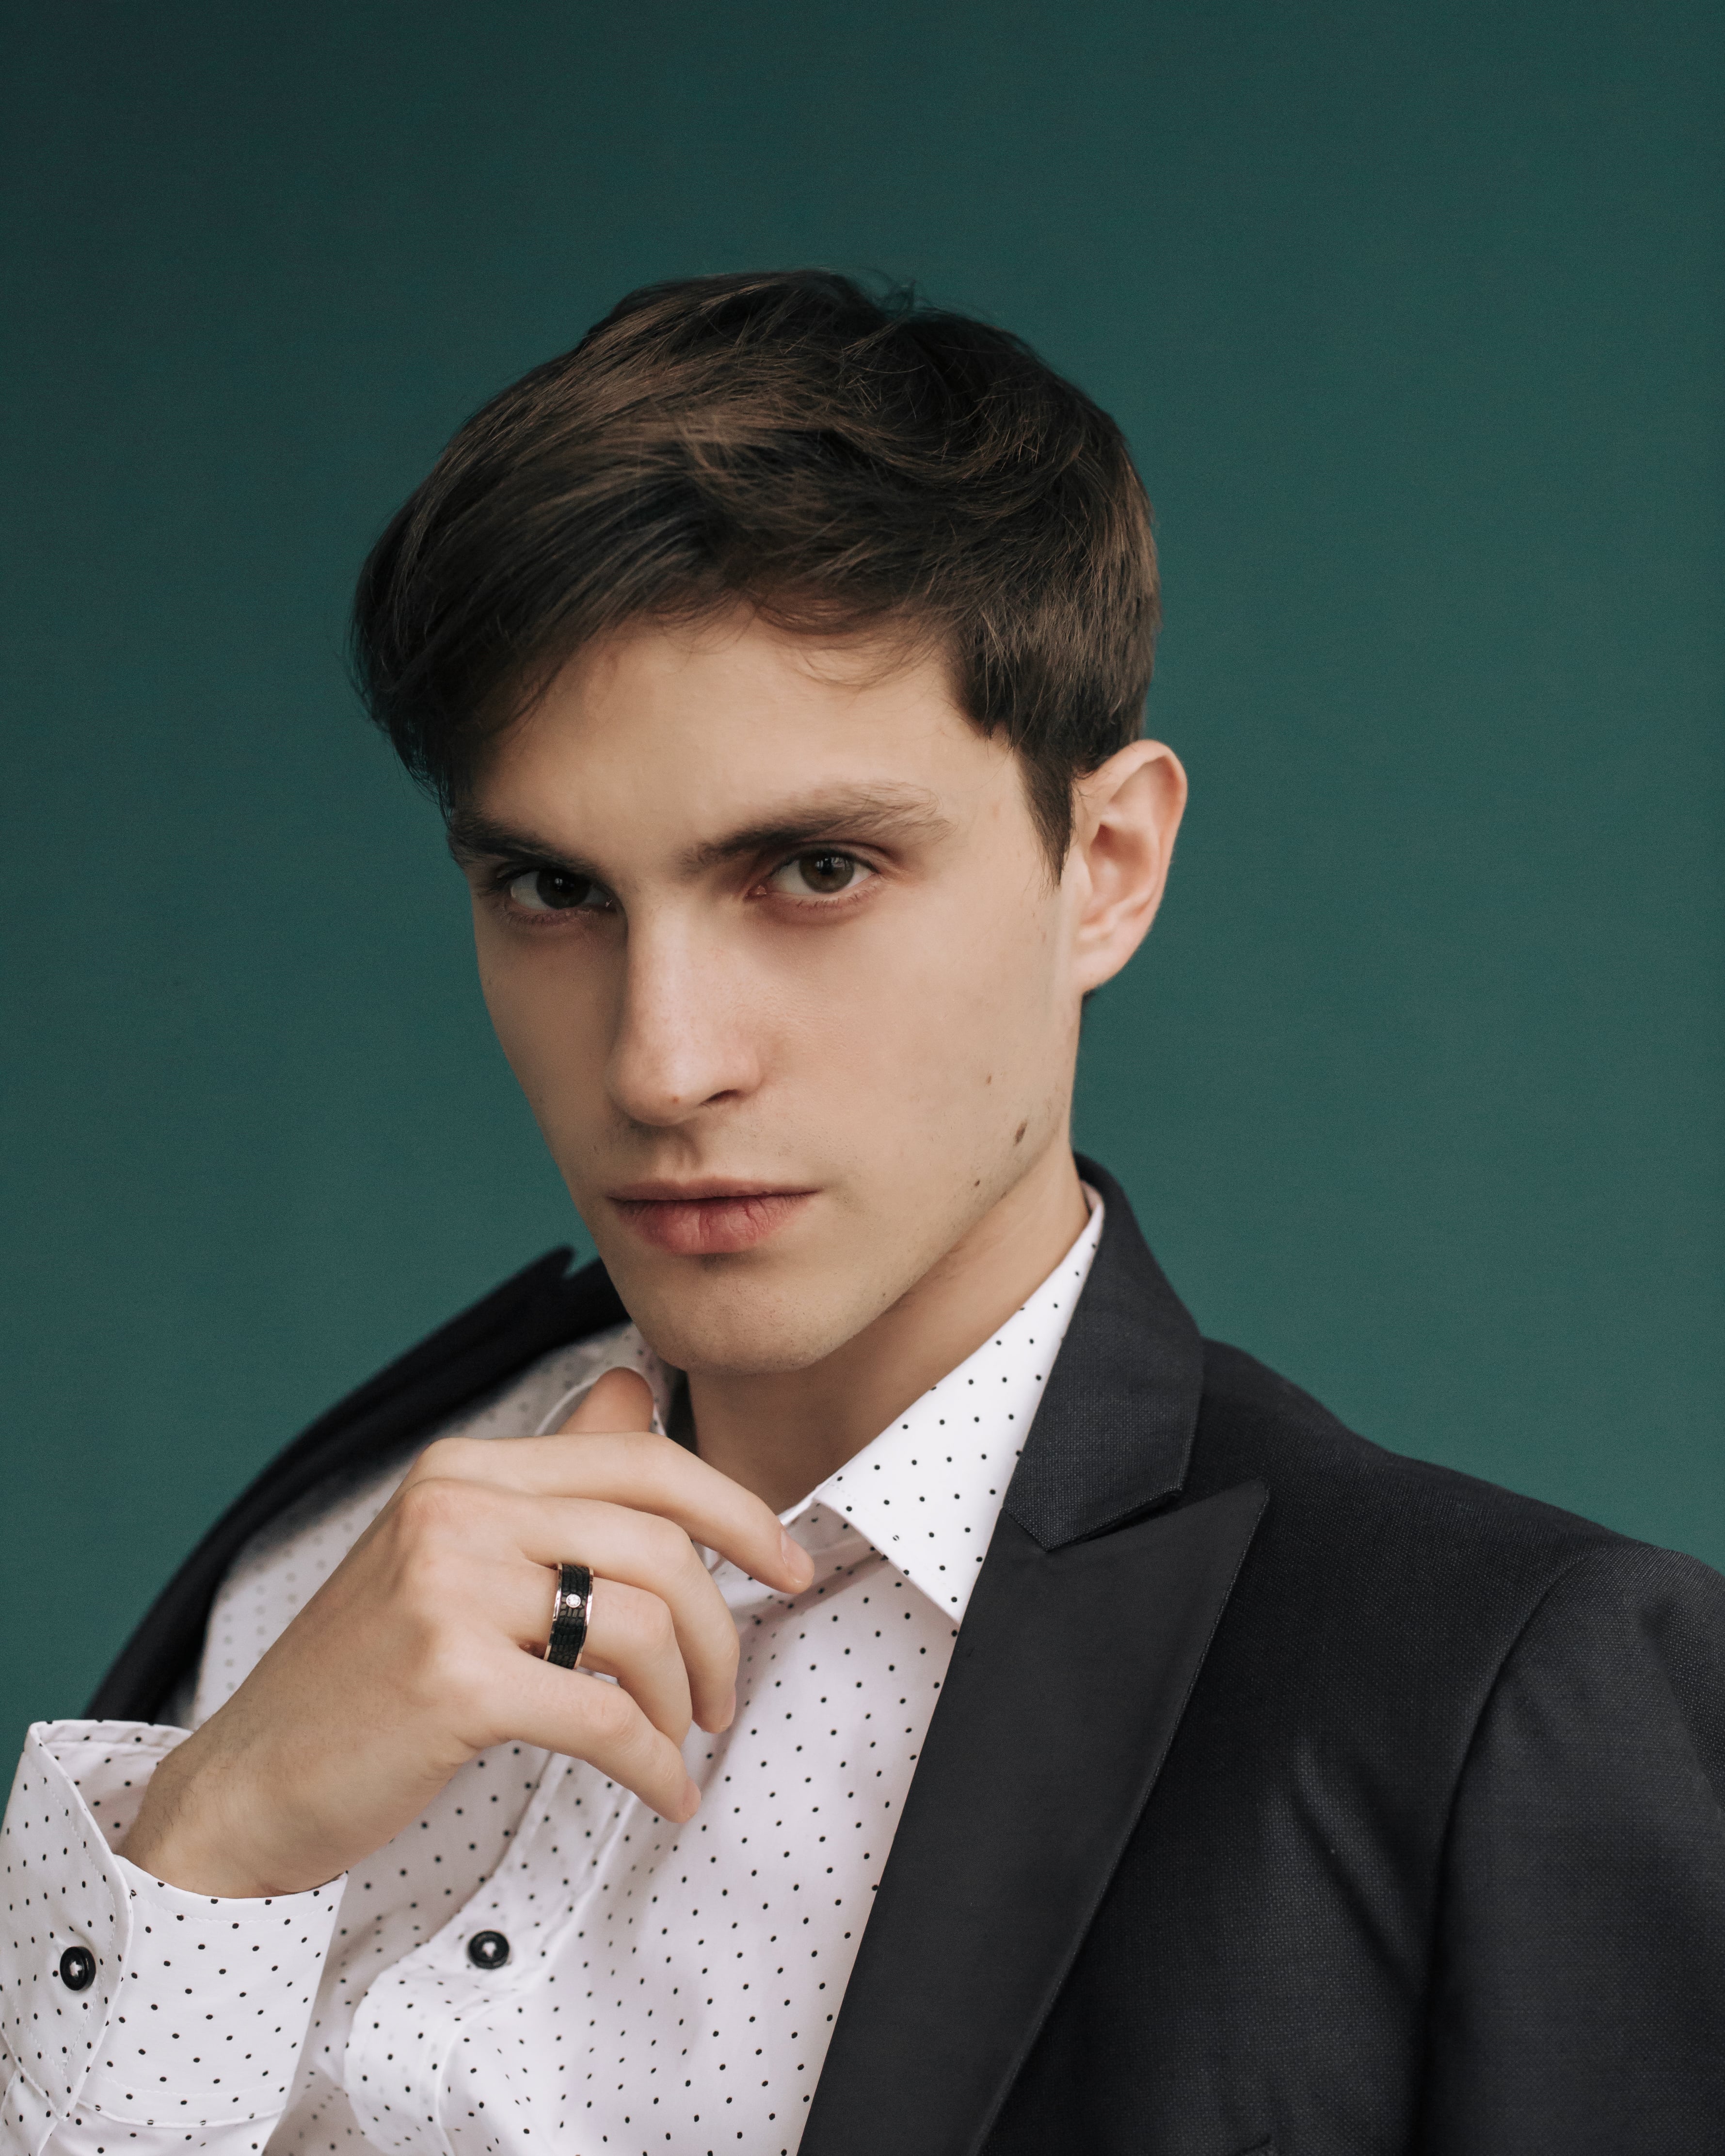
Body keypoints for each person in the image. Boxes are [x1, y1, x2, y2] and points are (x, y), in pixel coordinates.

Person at [3, 271, 1721, 2156]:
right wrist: (212, 1842)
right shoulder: (308, 1563)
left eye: (815, 869)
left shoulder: (1492, 1695)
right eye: (555, 890)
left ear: (1106, 865)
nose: (662, 1061)